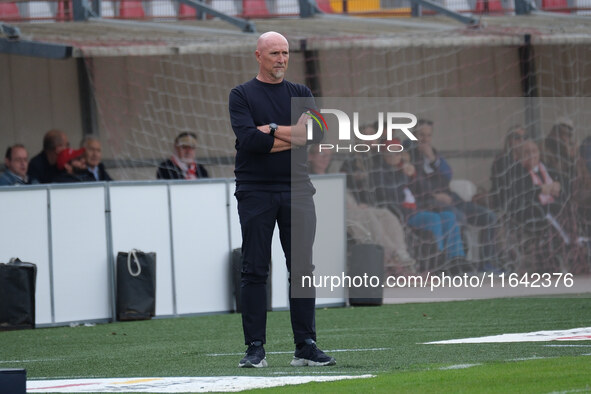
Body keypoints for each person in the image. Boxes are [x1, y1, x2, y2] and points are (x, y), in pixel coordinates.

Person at [229, 31, 334, 369]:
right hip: (255, 190)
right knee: (254, 269)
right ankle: (255, 348)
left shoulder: (301, 93)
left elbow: (316, 134)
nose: (281, 59)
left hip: (298, 189)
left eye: (285, 53)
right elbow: (249, 141)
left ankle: (305, 345)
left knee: (302, 269)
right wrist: (294, 134)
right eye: (274, 52)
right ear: (258, 55)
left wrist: (272, 128)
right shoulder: (241, 94)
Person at [308, 145, 415, 275]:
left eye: (328, 156)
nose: (326, 159)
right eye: (322, 155)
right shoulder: (308, 179)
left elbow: (348, 199)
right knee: (367, 215)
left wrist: (357, 206)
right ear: (311, 156)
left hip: (350, 210)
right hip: (332, 214)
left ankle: (401, 251)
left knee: (385, 214)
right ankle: (391, 254)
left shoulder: (333, 176)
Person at [407, 119, 500, 268]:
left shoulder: (433, 154)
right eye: (421, 135)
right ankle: (457, 261)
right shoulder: (409, 156)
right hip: (430, 202)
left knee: (489, 217)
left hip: (451, 198)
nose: (425, 139)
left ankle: (488, 263)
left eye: (428, 135)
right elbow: (415, 184)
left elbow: (448, 175)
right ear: (413, 135)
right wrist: (433, 196)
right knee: (457, 217)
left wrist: (432, 159)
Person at [372, 139, 467, 270]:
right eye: (391, 153)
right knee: (432, 219)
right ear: (384, 154)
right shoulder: (380, 173)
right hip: (402, 213)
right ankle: (436, 260)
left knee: (448, 216)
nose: (395, 156)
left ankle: (456, 259)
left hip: (419, 208)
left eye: (398, 153)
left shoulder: (407, 169)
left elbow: (424, 190)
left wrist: (414, 175)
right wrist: (402, 175)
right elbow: (391, 195)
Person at [489, 125, 528, 211]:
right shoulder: (501, 161)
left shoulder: (528, 160)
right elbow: (510, 190)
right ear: (510, 140)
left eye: (525, 137)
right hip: (509, 205)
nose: (521, 140)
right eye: (517, 137)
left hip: (525, 202)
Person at [543, 117, 577, 198]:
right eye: (562, 133)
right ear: (554, 132)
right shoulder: (544, 149)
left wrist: (573, 158)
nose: (564, 138)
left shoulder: (571, 151)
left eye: (568, 135)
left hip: (572, 193)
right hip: (553, 193)